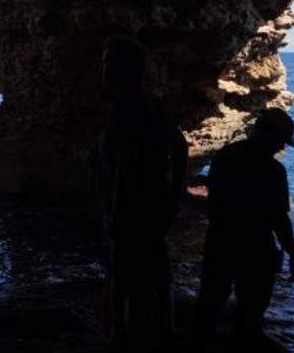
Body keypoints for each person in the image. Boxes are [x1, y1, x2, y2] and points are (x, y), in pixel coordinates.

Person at [92, 36, 189, 352]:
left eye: (108, 63)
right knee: (157, 272)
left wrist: (113, 210)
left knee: (128, 278)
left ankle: (123, 335)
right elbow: (180, 147)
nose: (102, 69)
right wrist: (174, 195)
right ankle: (167, 332)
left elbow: (125, 165)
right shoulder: (154, 104)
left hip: (132, 209)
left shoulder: (126, 108)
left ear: (123, 69)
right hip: (155, 205)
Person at [194, 108, 294, 344]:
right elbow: (279, 218)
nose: (280, 148)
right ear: (270, 136)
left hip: (220, 238)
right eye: (280, 141)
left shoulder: (225, 156)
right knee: (251, 311)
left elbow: (213, 200)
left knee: (210, 302)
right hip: (256, 245)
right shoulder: (274, 170)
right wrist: (293, 253)